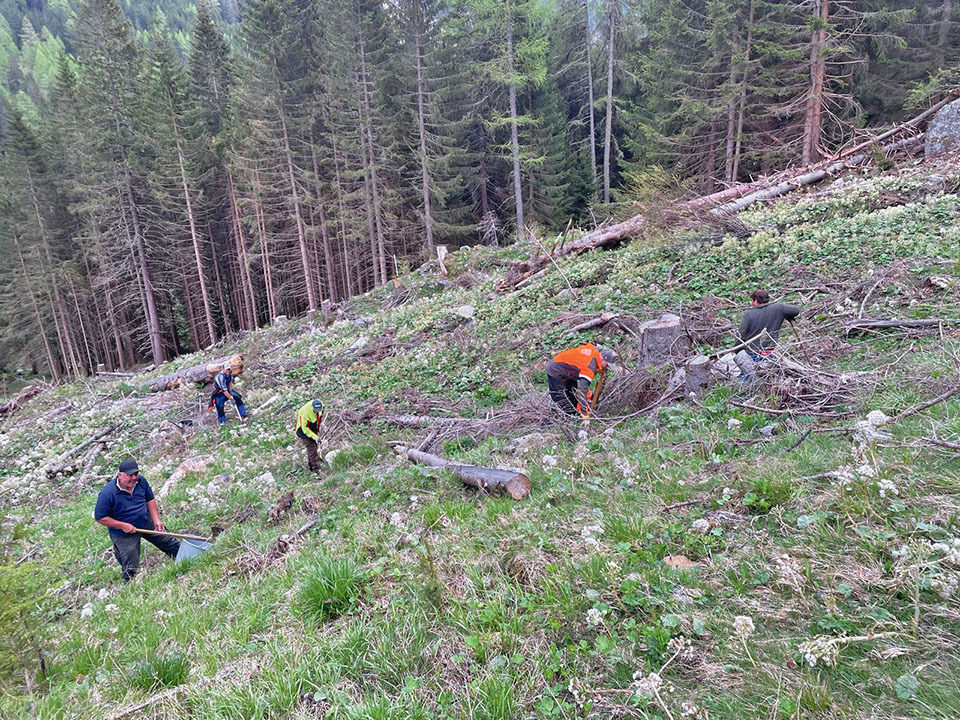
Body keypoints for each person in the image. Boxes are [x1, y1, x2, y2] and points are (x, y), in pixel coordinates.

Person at [94, 459, 179, 582]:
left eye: (136, 474)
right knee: (130, 562)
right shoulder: (107, 493)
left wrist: (156, 520)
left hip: (145, 521)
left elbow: (150, 499)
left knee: (169, 541)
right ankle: (129, 584)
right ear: (120, 475)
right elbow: (101, 518)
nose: (134, 478)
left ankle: (184, 560)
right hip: (123, 533)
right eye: (130, 475)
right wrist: (123, 525)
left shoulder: (141, 481)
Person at [736, 290, 801, 378]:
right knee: (766, 375)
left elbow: (741, 334)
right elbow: (796, 310)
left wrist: (736, 349)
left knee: (748, 376)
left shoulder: (749, 314)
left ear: (755, 300)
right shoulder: (778, 308)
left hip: (751, 352)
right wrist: (786, 315)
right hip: (769, 352)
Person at [546, 343, 618, 417]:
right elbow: (582, 390)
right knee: (560, 398)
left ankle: (574, 415)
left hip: (568, 370)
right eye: (607, 365)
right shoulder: (590, 367)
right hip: (555, 369)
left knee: (572, 395)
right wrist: (585, 414)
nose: (606, 368)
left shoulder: (595, 353)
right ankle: (551, 421)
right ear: (602, 359)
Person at [296, 399, 325, 472]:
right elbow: (305, 428)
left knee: (314, 445)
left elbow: (320, 416)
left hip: (312, 426)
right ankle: (315, 469)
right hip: (303, 430)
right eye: (316, 410)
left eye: (319, 410)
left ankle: (311, 465)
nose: (317, 411)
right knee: (312, 448)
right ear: (312, 408)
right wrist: (315, 437)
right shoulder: (305, 413)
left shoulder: (321, 405)